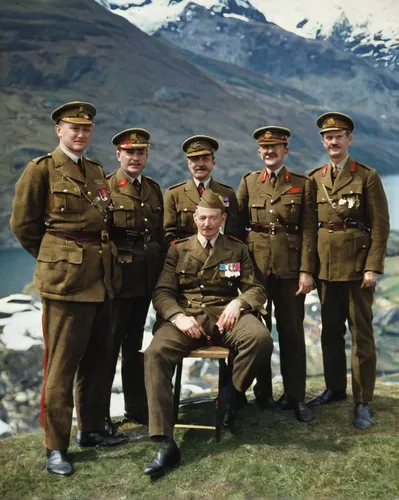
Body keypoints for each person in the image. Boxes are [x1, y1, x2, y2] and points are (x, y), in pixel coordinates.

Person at [10, 101, 126, 478]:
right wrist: (56, 256)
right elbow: (24, 225)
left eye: (86, 129)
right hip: (65, 283)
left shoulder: (94, 171)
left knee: (97, 360)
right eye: (73, 128)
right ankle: (55, 447)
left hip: (101, 278)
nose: (80, 134)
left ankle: (90, 429)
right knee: (60, 367)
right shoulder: (41, 170)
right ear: (59, 130)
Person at [143, 189, 273, 476]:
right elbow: (163, 292)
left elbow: (256, 288)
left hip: (226, 316)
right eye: (202, 218)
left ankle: (230, 393)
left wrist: (239, 303)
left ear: (223, 218)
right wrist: (177, 316)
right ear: (194, 218)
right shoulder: (178, 249)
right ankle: (165, 441)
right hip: (187, 318)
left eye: (213, 218)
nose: (207, 224)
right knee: (155, 353)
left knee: (261, 339)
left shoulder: (237, 248)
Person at [308, 112, 390, 429]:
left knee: (361, 338)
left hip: (358, 271)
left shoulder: (366, 176)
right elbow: (309, 230)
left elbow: (380, 227)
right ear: (323, 141)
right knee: (330, 334)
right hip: (326, 271)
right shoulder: (315, 179)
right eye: (328, 136)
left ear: (349, 139)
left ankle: (362, 401)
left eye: (339, 135)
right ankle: (334, 389)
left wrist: (372, 267)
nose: (333, 141)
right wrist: (310, 270)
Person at [236, 126, 317, 422]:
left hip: (291, 271)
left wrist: (307, 271)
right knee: (260, 334)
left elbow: (309, 231)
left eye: (276, 147)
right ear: (259, 152)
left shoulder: (302, 184)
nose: (270, 152)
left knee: (293, 334)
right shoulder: (248, 182)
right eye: (264, 148)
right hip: (257, 272)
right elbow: (236, 230)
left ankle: (296, 398)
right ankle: (264, 394)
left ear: (286, 150)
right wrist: (242, 274)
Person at [105, 128, 165, 429]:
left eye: (141, 153)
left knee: (134, 349)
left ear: (146, 156)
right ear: (119, 155)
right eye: (130, 152)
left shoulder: (153, 190)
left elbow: (159, 236)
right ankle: (98, 416)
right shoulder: (106, 188)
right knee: (107, 348)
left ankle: (135, 408)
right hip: (117, 281)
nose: (135, 158)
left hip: (144, 280)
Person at [163, 135, 242, 243]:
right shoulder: (174, 194)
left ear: (213, 163)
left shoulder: (227, 193)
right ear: (188, 163)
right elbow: (168, 233)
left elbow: (234, 232)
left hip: (220, 255)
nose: (200, 164)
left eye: (205, 159)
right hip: (186, 256)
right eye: (195, 159)